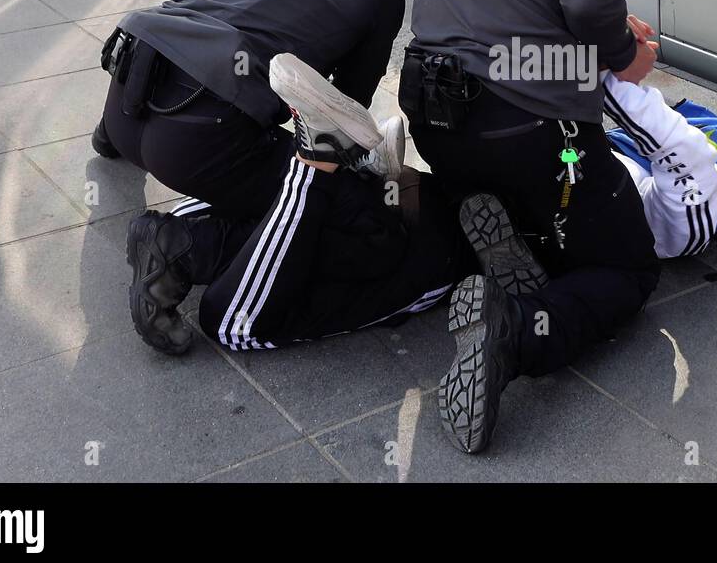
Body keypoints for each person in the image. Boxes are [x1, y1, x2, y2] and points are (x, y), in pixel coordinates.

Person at [401, 0, 661, 453]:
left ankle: (510, 228)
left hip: (430, 111)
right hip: (525, 118)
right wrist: (624, 53)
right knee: (627, 269)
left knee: (544, 195)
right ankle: (515, 331)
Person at [126, 54, 474, 354]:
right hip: (412, 241)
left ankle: (184, 238)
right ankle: (316, 160)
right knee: (233, 323)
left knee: (290, 246)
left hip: (395, 200)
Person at [94, 0, 405, 221]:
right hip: (200, 141)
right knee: (353, 207)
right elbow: (345, 106)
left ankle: (112, 137)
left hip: (124, 106)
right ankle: (179, 243)